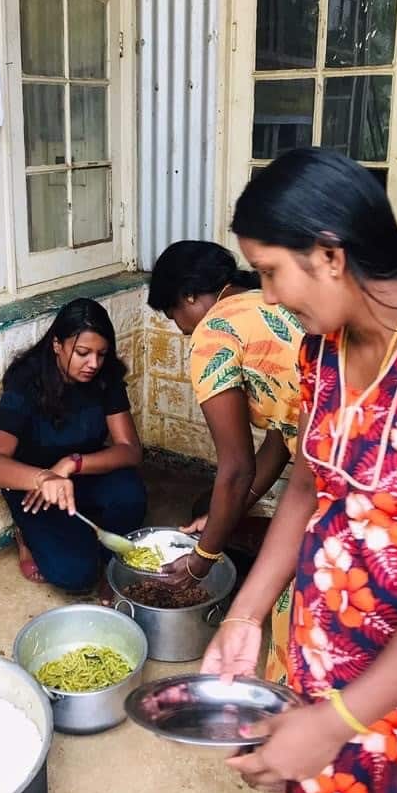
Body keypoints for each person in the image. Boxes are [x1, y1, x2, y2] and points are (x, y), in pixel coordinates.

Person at [203, 147, 397, 793]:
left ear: (330, 256)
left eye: (272, 272)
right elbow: (308, 490)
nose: (271, 297)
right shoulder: (323, 349)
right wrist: (245, 615)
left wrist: (337, 722)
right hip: (320, 659)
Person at [147, 242, 301, 614]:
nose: (181, 330)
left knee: (296, 597)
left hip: (336, 473)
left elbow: (236, 469)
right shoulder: (269, 301)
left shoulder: (213, 332)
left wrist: (202, 558)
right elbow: (279, 442)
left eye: (172, 314)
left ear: (188, 296)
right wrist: (221, 517)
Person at [0, 298, 145, 592]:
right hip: (34, 487)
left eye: (101, 354)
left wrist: (72, 463)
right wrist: (44, 478)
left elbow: (130, 449)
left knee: (130, 493)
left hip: (83, 472)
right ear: (57, 344)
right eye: (82, 353)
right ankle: (25, 534)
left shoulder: (105, 378)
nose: (93, 364)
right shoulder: (27, 381)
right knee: (76, 575)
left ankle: (109, 563)